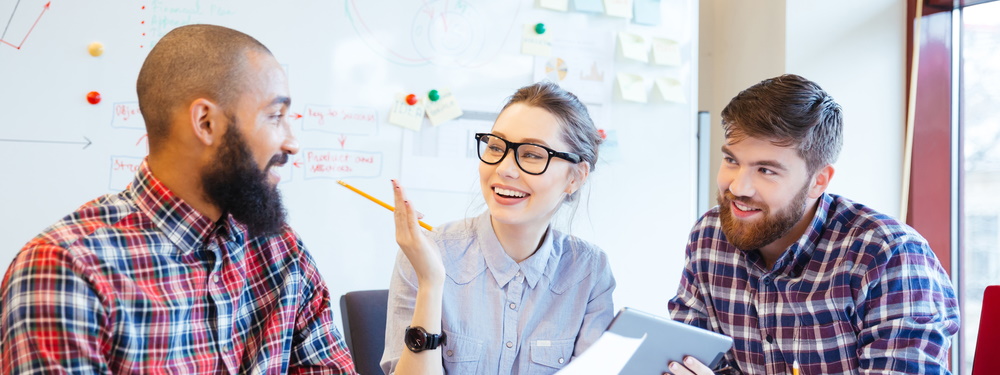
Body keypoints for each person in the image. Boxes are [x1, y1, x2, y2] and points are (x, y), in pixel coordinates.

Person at [0, 24, 356, 374]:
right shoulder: (66, 269)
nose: (292, 143)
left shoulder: (281, 250)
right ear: (205, 123)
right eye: (275, 116)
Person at [665, 74, 960, 375]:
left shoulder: (888, 257)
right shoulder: (710, 236)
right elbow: (689, 360)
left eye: (765, 170)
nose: (739, 187)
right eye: (731, 161)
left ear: (818, 181)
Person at [380, 81, 615, 375]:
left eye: (531, 154)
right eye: (496, 146)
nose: (504, 168)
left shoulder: (590, 271)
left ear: (575, 177)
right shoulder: (426, 253)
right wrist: (430, 282)